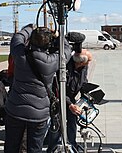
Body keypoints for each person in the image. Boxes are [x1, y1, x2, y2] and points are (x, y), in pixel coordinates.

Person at [4, 25, 72, 153]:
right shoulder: (52, 61)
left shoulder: (20, 54)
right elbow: (66, 50)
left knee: (11, 146)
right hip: (39, 113)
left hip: (15, 109)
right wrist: (58, 36)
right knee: (35, 148)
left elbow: (17, 38)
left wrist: (30, 28)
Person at [46, 49, 93, 153]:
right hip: (58, 100)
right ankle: (52, 149)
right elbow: (58, 89)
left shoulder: (84, 67)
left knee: (72, 125)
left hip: (71, 99)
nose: (89, 63)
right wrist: (69, 104)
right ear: (79, 62)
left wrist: (86, 98)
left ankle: (72, 146)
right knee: (56, 128)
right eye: (88, 61)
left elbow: (83, 82)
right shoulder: (64, 67)